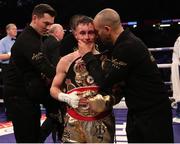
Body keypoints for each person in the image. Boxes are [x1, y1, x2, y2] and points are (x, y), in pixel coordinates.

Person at [78, 8, 174, 143]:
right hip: (139, 111)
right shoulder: (123, 43)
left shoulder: (127, 46)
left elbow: (105, 82)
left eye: (97, 31)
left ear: (107, 29)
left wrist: (87, 56)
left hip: (153, 114)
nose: (97, 36)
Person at [50, 15, 116, 143]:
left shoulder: (107, 60)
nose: (87, 37)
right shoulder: (65, 60)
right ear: (75, 35)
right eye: (82, 33)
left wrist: (104, 101)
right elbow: (54, 88)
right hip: (74, 122)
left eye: (91, 32)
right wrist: (66, 97)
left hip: (102, 122)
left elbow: (115, 89)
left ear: (96, 34)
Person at [3, 4, 57, 142]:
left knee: (34, 135)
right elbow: (45, 67)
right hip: (18, 98)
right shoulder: (28, 39)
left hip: (28, 95)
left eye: (51, 24)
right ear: (34, 18)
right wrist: (67, 76)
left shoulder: (35, 36)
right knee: (27, 138)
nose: (49, 27)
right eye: (46, 23)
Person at [40, 23, 65, 142]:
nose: (64, 33)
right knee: (55, 114)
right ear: (56, 32)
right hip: (53, 84)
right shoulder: (55, 43)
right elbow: (56, 66)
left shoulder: (45, 42)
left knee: (54, 114)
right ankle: (40, 138)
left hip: (45, 84)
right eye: (62, 31)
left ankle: (59, 137)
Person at [0, 23, 17, 119]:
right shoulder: (2, 42)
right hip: (7, 68)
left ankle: (16, 112)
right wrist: (11, 54)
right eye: (13, 29)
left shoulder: (16, 41)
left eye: (16, 29)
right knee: (8, 91)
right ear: (8, 31)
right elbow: (1, 57)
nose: (15, 31)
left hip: (16, 68)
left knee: (17, 90)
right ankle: (9, 113)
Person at [171, 35, 180, 123]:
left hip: (178, 67)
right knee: (178, 91)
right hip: (177, 66)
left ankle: (179, 115)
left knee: (179, 91)